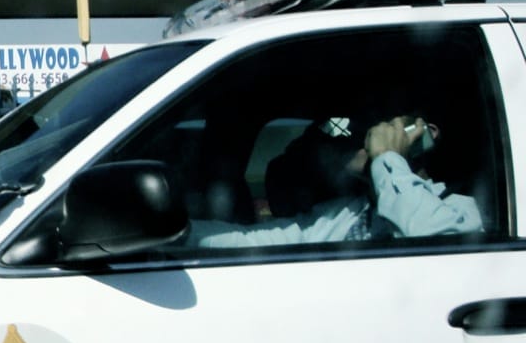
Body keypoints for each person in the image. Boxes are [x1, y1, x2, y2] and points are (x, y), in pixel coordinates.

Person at [191, 115, 482, 248]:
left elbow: (438, 248)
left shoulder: (460, 209)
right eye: (361, 125)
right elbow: (251, 241)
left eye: (382, 122)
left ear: (425, 131)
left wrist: (389, 158)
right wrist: (178, 234)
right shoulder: (343, 214)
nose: (366, 132)